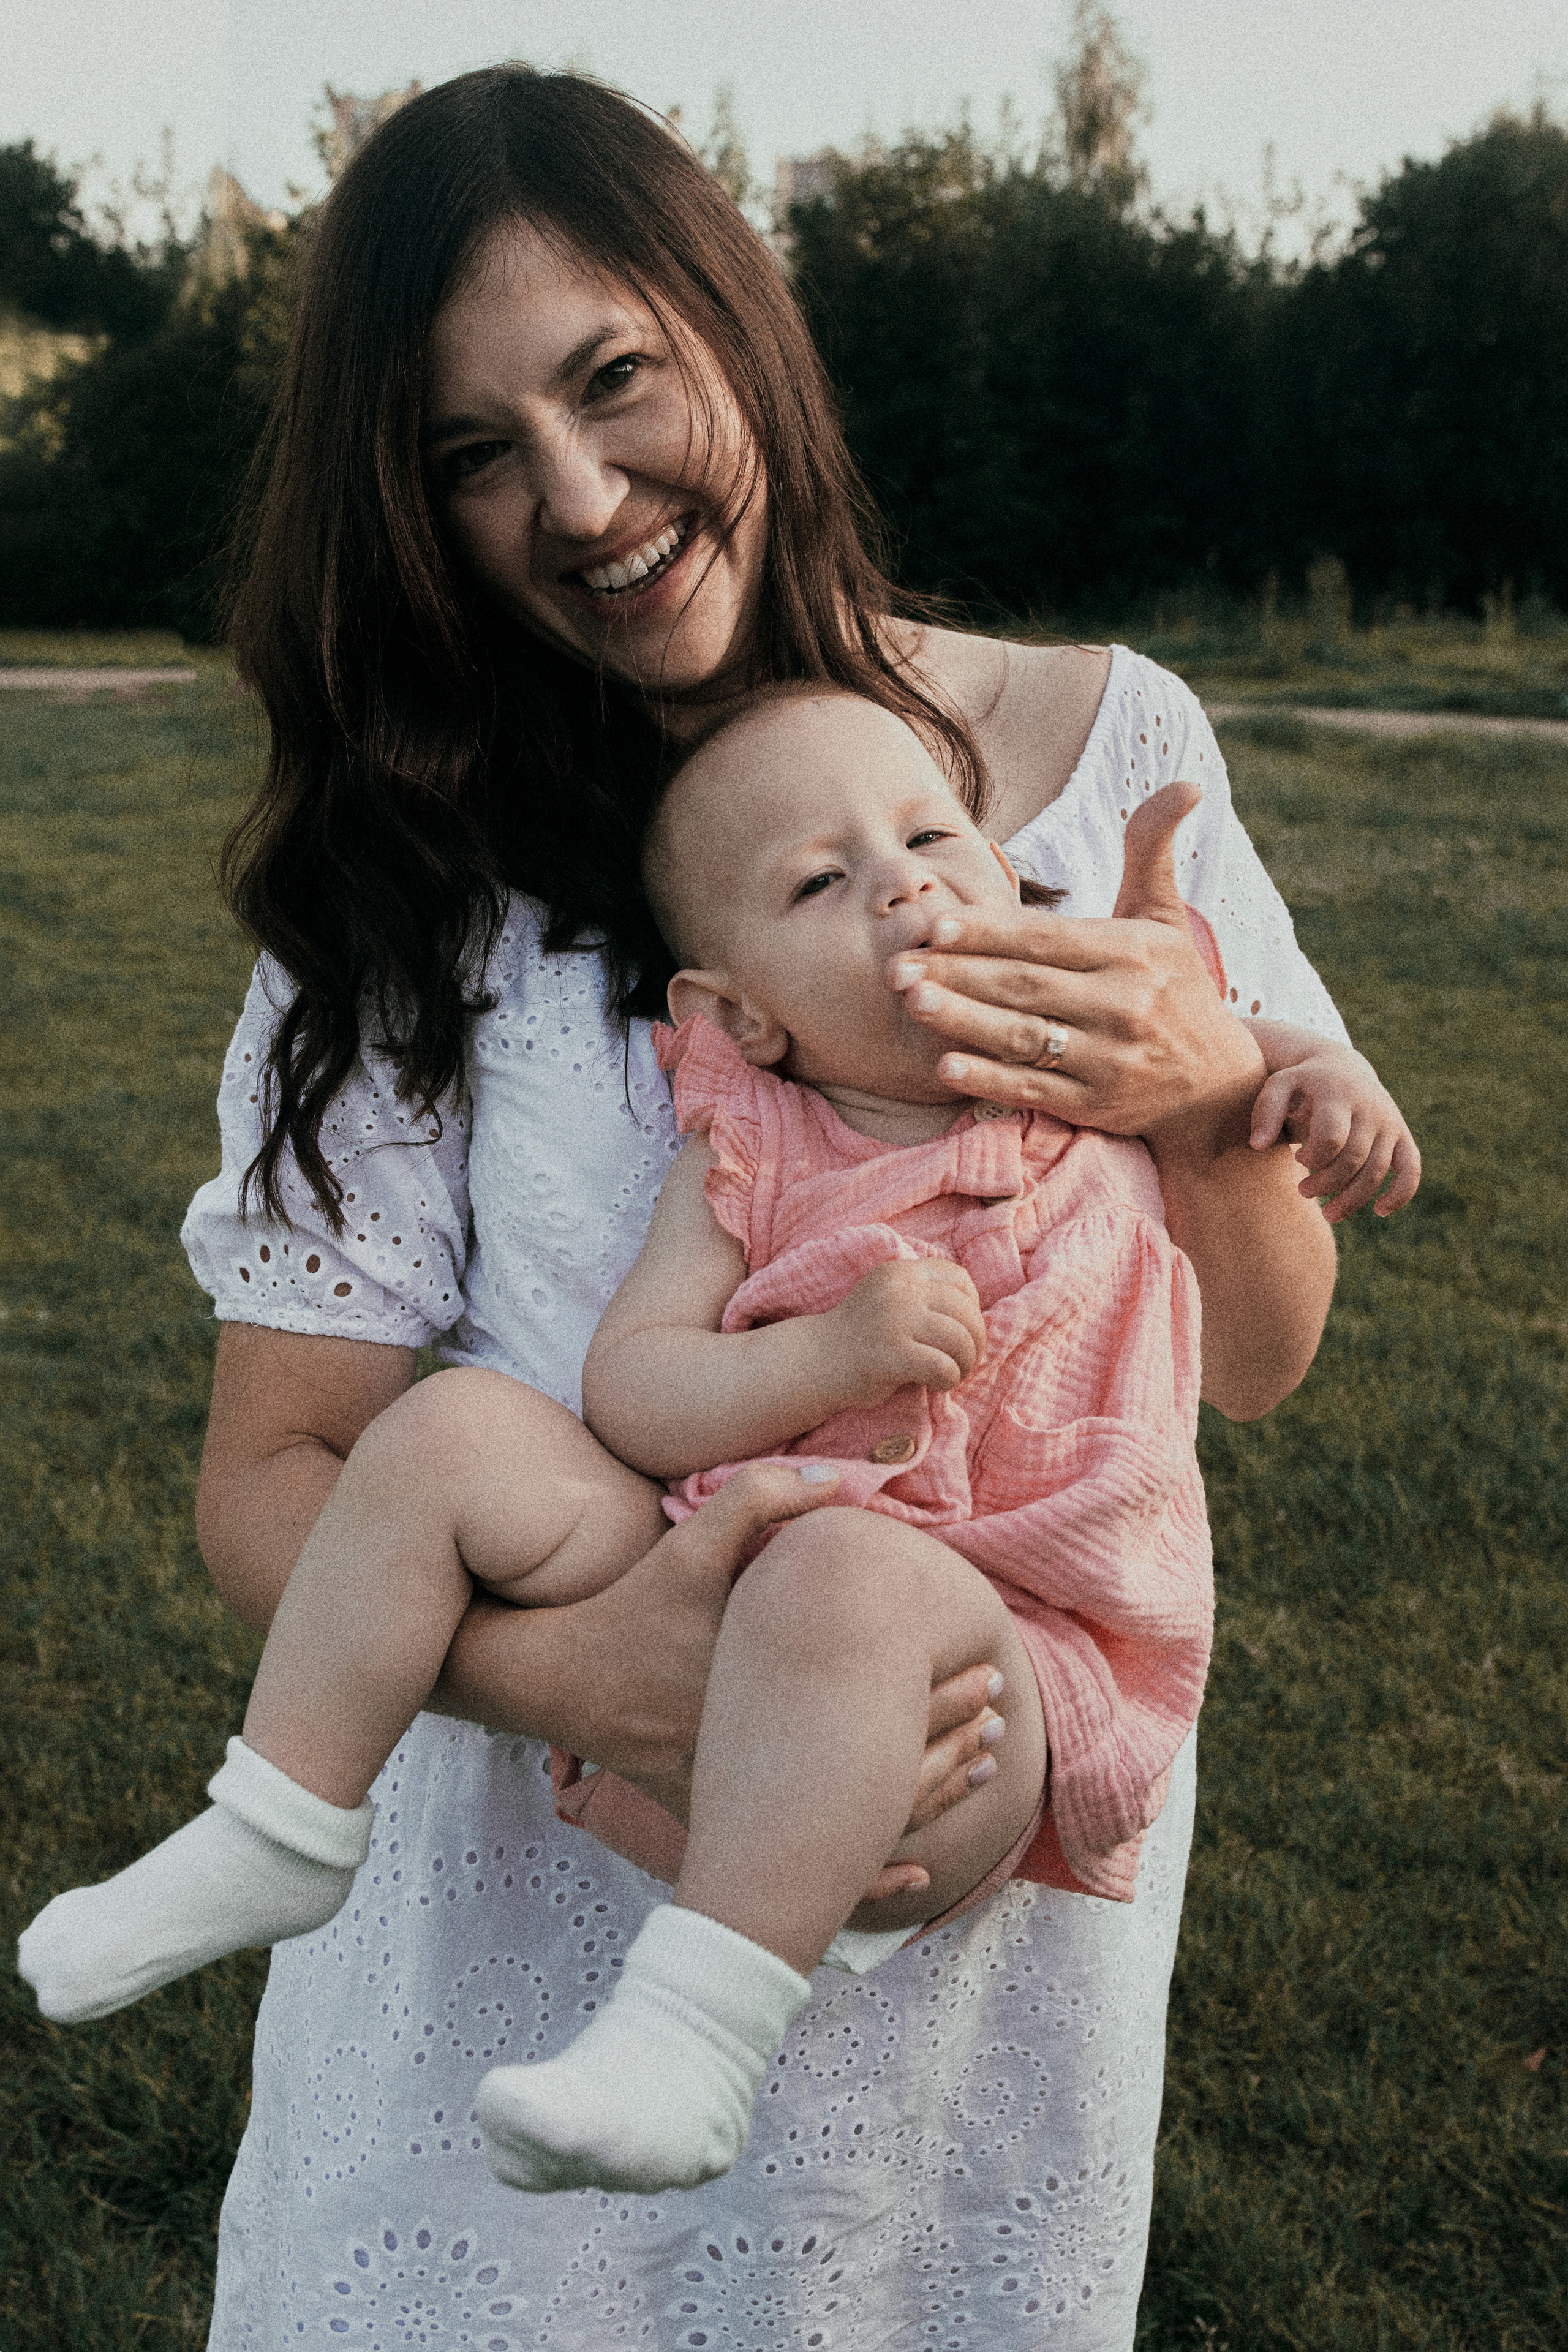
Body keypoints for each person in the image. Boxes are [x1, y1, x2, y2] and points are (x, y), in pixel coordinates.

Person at [42, 65, 1415, 2346]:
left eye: (612, 381)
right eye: (473, 457)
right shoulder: (412, 868)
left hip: (962, 1992)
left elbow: (1254, 1359)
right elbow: (276, 1480)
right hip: (512, 1948)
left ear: (733, 319)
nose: (575, 501)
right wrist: (612, 1677)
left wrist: (1199, 1103)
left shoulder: (1110, 757)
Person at [23, 687, 1412, 2198]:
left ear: (1012, 875)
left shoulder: (1104, 1043)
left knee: (841, 1582)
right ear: (739, 1012)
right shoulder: (747, 1138)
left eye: (937, 836)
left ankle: (694, 2036)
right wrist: (825, 1357)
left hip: (991, 1688)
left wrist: (1306, 1089)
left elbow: (1259, 1108)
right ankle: (282, 1815)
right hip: (699, 1598)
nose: (904, 881)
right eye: (821, 884)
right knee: (451, 1432)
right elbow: (636, 1394)